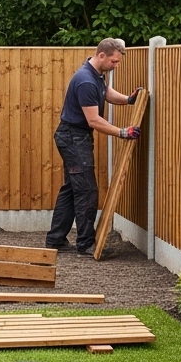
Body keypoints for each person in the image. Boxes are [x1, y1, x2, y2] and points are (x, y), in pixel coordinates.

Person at [45, 37, 143, 256]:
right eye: (114, 62)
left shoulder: (95, 74)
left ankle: (55, 240)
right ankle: (86, 244)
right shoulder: (86, 81)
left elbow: (106, 92)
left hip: (73, 136)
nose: (116, 66)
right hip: (74, 138)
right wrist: (122, 132)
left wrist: (128, 99)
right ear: (102, 56)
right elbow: (94, 121)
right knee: (87, 191)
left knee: (71, 189)